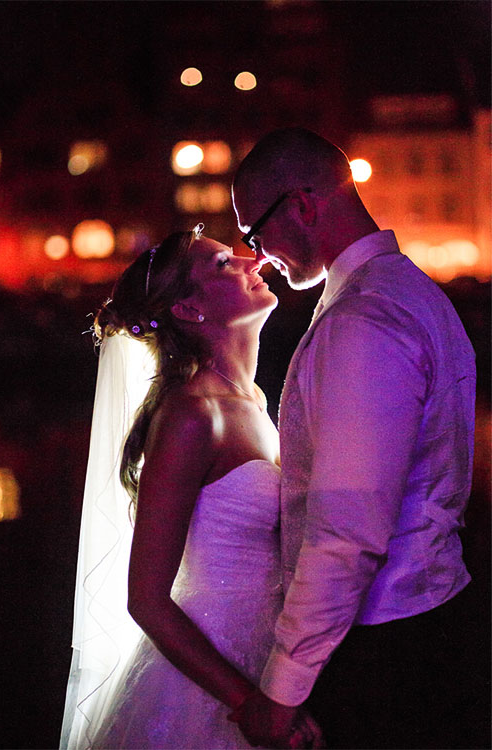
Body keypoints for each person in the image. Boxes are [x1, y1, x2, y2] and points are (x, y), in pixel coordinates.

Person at [229, 127, 484, 749]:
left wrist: (282, 687)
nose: (258, 256)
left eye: (254, 235)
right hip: (432, 615)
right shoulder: (414, 293)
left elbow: (346, 531)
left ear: (303, 206)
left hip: (384, 643)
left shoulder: (364, 320)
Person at [60, 226, 322, 749]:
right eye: (224, 263)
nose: (253, 261)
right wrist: (247, 702)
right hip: (205, 681)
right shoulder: (192, 413)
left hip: (267, 655)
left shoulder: (250, 399)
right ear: (188, 310)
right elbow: (147, 599)